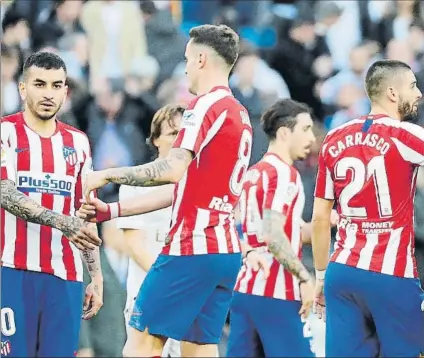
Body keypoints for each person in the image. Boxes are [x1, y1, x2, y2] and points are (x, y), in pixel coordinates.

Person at [81, 24, 253, 357]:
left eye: (188, 59)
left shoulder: (204, 105)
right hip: (224, 251)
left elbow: (171, 170)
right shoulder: (240, 113)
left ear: (202, 58)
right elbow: (186, 188)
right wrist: (113, 211)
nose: (186, 66)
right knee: (199, 350)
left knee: (140, 346)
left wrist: (106, 175)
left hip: (191, 248)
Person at [311, 59, 424, 357]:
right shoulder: (405, 134)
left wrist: (321, 277)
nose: (419, 94)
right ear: (392, 92)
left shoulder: (334, 138)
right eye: (412, 86)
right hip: (391, 275)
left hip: (342, 272)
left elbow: (320, 217)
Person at [0, 51, 103, 358]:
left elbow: (86, 213)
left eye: (56, 85)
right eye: (40, 84)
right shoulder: (5, 132)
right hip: (12, 271)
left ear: (65, 91)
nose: (48, 93)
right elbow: (5, 194)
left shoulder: (79, 142)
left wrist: (95, 275)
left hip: (65, 276)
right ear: (22, 88)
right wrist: (61, 221)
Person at [227, 99, 338, 357]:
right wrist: (304, 277)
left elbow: (290, 234)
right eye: (305, 129)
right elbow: (273, 235)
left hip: (246, 290)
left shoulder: (255, 173)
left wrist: (327, 222)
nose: (311, 137)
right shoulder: (284, 175)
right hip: (276, 292)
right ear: (285, 133)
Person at [117, 104, 184, 358]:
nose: (179, 142)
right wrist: (169, 280)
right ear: (155, 139)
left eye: (184, 134)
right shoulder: (135, 182)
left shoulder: (201, 184)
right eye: (172, 134)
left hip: (190, 293)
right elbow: (135, 245)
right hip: (149, 289)